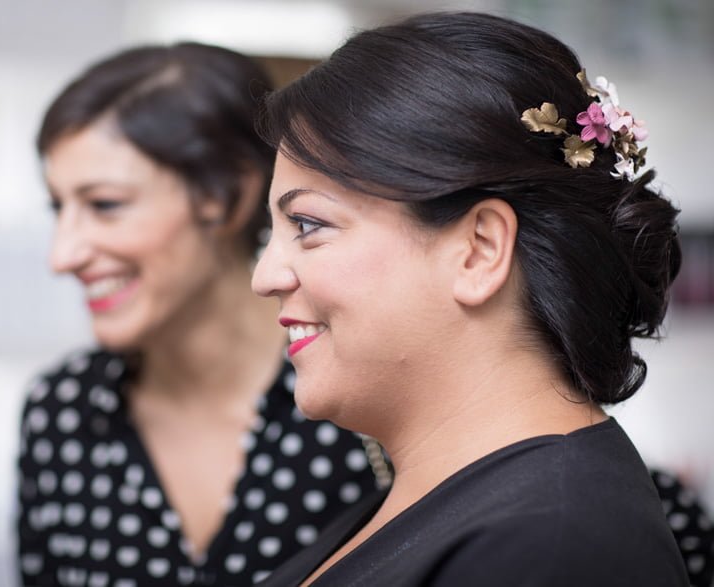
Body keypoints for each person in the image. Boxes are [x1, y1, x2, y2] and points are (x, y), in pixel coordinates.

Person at [251, 12, 692, 586]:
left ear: (480, 249)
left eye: (309, 224)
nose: (265, 276)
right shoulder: (453, 498)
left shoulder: (550, 547)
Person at [16, 43, 380, 587]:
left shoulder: (360, 401)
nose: (62, 256)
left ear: (225, 196)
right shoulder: (62, 411)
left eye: (105, 205)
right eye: (59, 209)